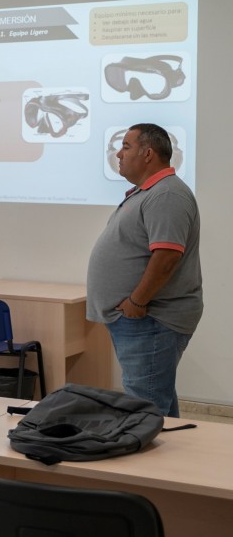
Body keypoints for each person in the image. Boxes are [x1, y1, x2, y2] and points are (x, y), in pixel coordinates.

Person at [86, 123, 201, 417]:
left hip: (151, 317)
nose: (118, 154)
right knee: (155, 399)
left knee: (145, 409)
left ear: (148, 153)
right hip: (141, 319)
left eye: (126, 146)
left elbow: (166, 257)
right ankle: (173, 462)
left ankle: (150, 462)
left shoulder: (166, 195)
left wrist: (137, 301)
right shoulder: (148, 192)